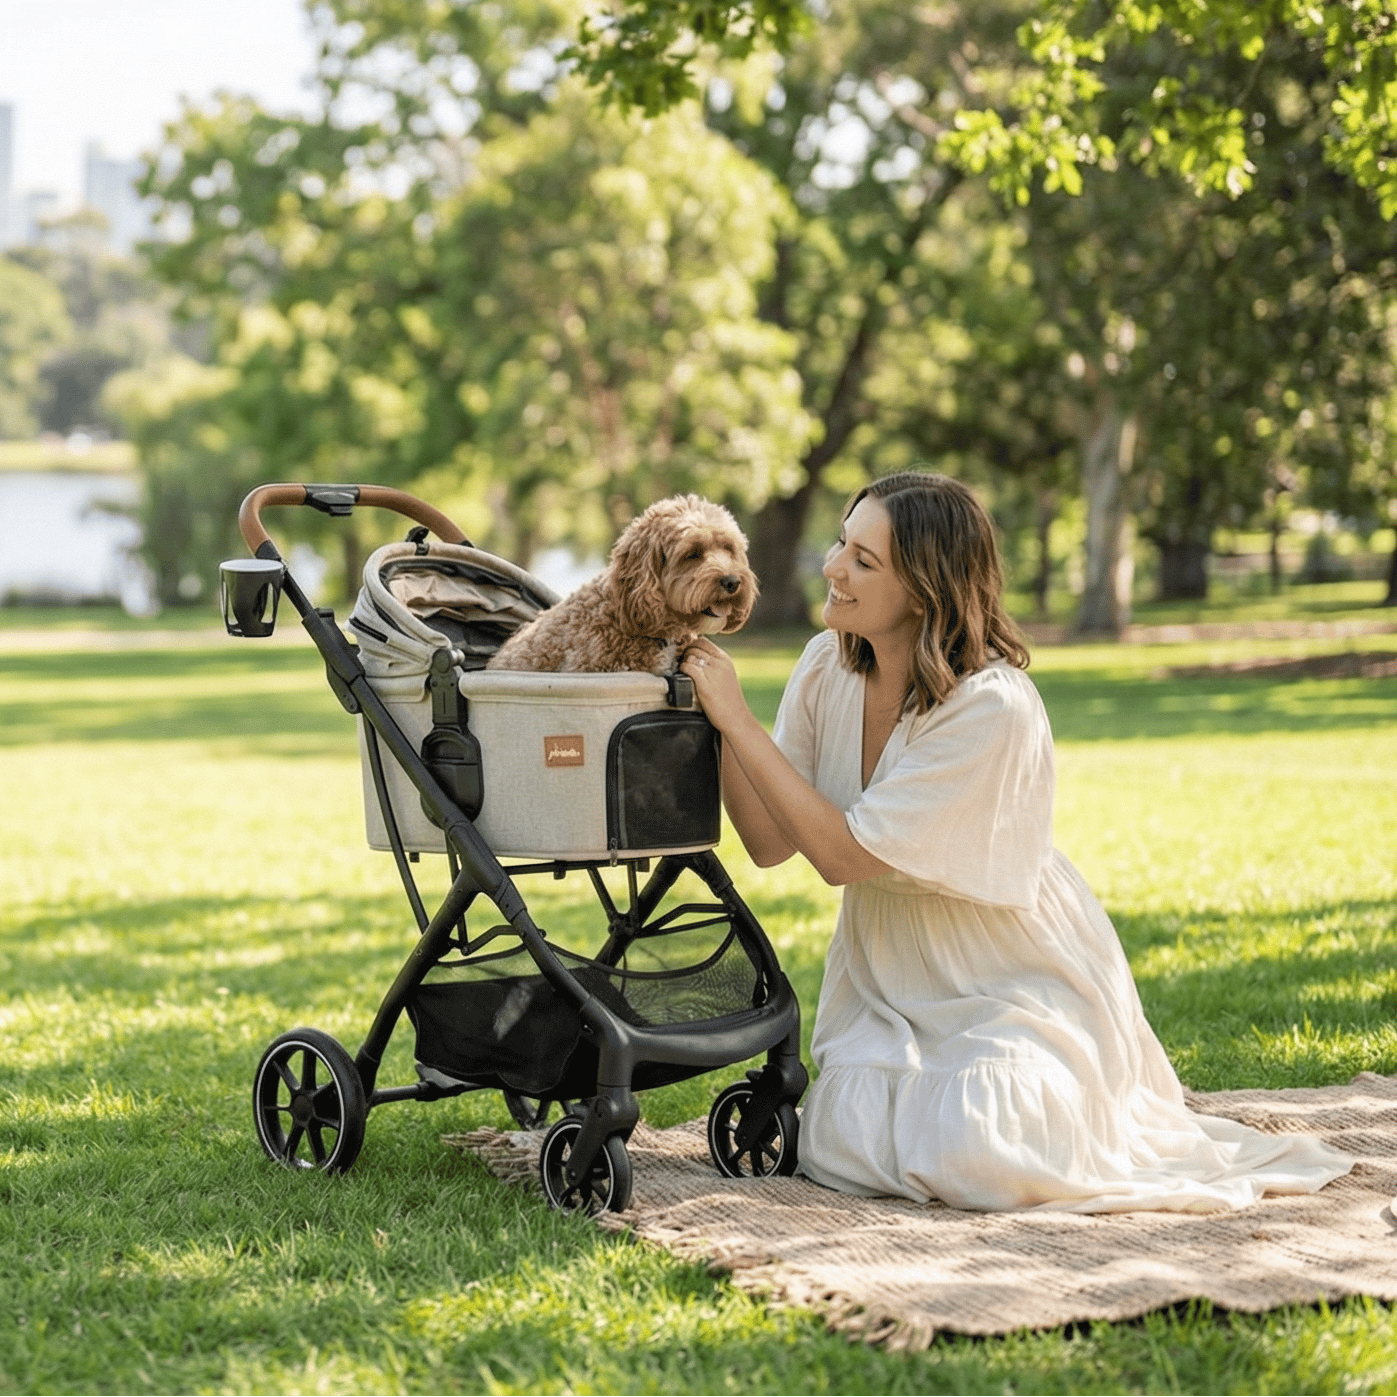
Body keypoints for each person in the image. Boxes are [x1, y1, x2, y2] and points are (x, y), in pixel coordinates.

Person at [680, 471, 1353, 1212]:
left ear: (926, 588)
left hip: (1007, 975)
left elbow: (840, 856)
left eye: (863, 560)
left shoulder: (991, 707)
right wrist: (715, 723)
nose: (833, 567)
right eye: (842, 541)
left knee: (982, 1143)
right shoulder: (825, 663)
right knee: (844, 1138)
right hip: (887, 975)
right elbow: (769, 841)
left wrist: (740, 722)